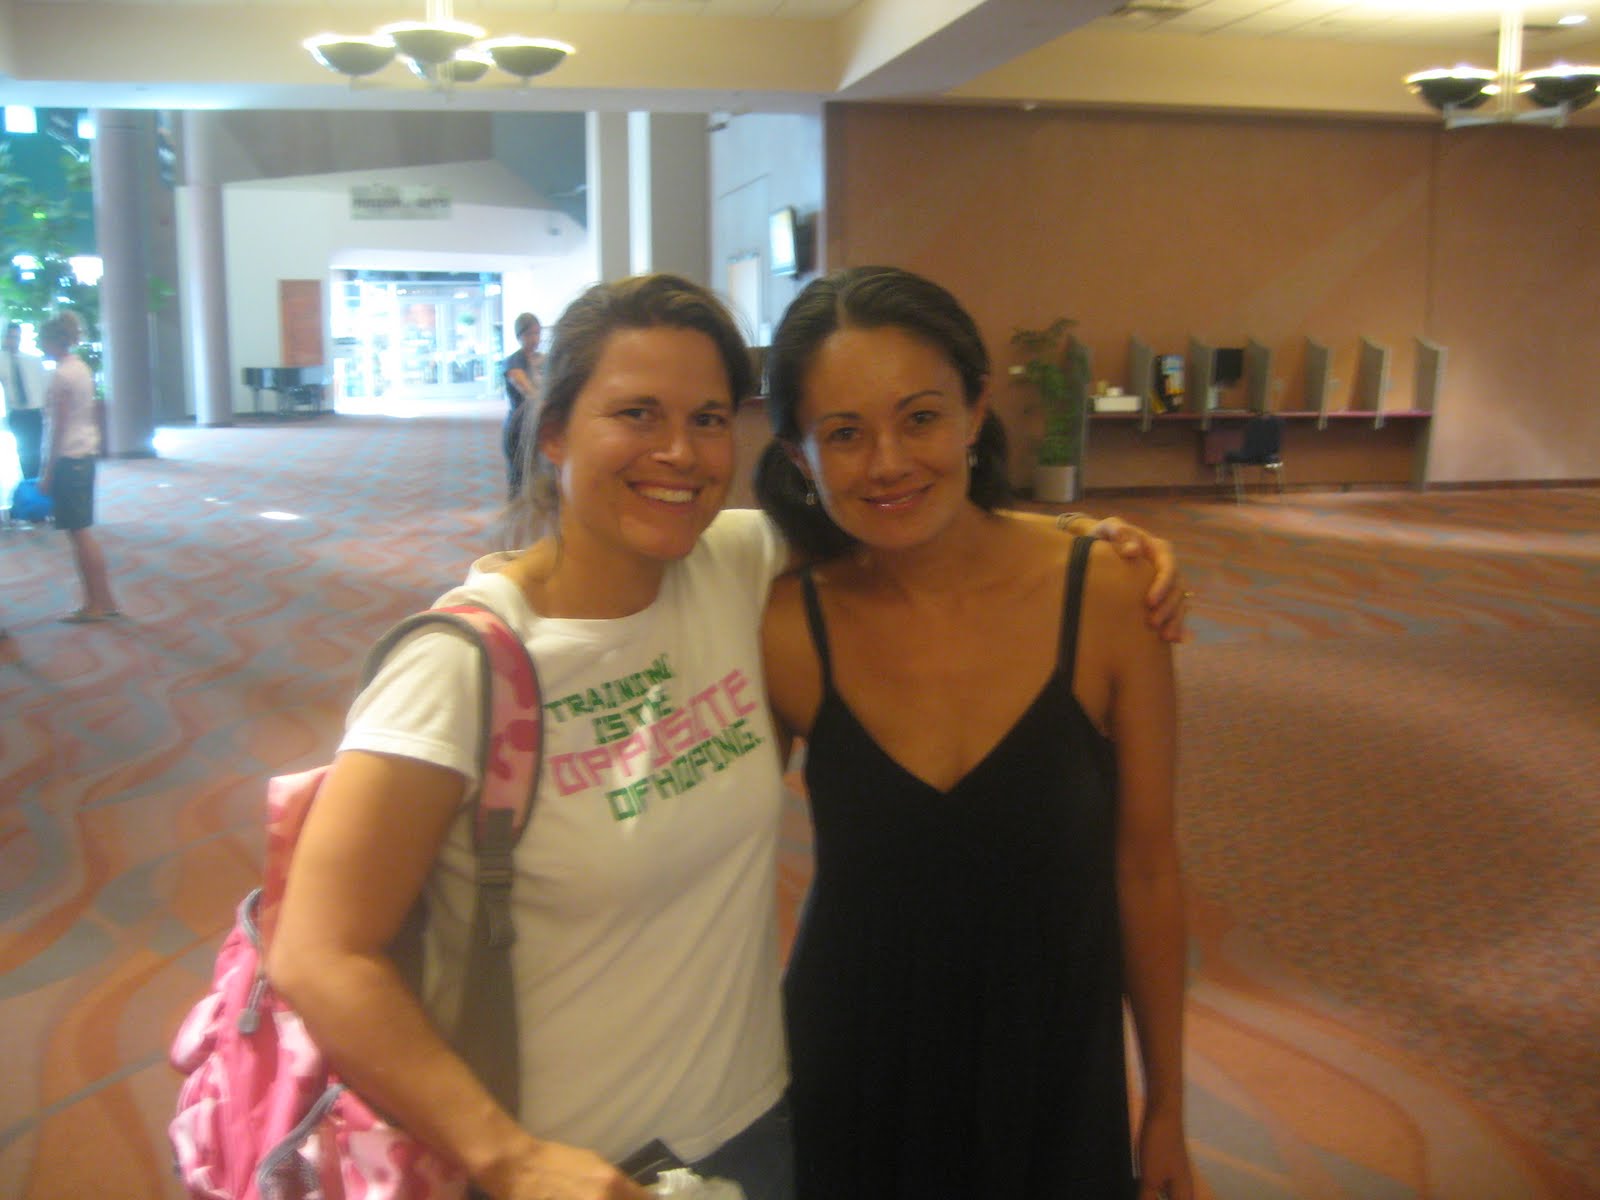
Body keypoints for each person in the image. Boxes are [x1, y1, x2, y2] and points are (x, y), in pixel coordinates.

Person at [268, 273, 1187, 1200]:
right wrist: (509, 1158)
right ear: (552, 431)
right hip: (572, 1164)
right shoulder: (461, 665)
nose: (678, 452)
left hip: (758, 1128)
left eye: (707, 419)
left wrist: (1090, 539)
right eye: (636, 413)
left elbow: (912, 517)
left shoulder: (734, 566)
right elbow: (317, 951)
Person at [754, 266, 1194, 1200]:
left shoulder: (1107, 595)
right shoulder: (788, 625)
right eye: (844, 434)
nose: (887, 463)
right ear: (799, 455)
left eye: (920, 418)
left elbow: (1149, 870)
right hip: (855, 1062)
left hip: (1054, 1064)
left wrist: (1166, 1105)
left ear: (975, 411)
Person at [38, 312, 119, 624]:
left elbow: (58, 428)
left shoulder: (62, 375)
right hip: (84, 455)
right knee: (82, 531)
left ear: (55, 341)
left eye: (42, 340)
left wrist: (47, 472)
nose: (40, 345)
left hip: (69, 459)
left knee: (80, 534)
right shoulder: (82, 369)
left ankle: (95, 604)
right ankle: (104, 600)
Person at [501, 312, 544, 499]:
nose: (534, 339)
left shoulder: (542, 359)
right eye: (529, 334)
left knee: (539, 478)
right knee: (519, 480)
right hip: (519, 427)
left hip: (539, 424)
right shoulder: (514, 361)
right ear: (519, 336)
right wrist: (543, 399)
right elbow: (524, 387)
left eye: (537, 333)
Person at [4, 321, 50, 483]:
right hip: (17, 414)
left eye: (16, 337)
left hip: (34, 412)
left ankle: (38, 483)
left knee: (37, 451)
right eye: (10, 337)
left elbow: (43, 386)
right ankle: (29, 482)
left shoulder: (32, 360)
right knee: (23, 452)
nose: (13, 341)